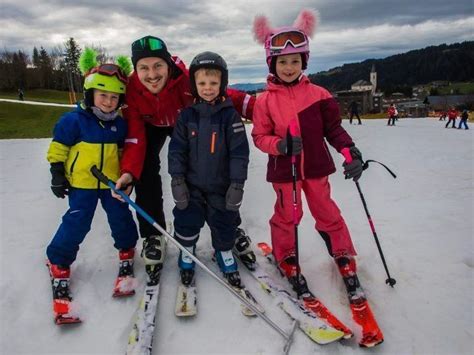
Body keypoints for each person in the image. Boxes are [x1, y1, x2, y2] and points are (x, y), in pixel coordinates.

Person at [251, 10, 384, 347]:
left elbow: (334, 130)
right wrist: (279, 145)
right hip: (285, 171)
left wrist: (350, 153)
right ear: (272, 65)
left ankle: (344, 257)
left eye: (295, 60)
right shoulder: (264, 101)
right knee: (288, 215)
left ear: (303, 61)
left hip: (316, 169)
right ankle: (287, 258)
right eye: (282, 62)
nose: (289, 67)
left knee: (327, 213)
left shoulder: (321, 95)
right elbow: (259, 137)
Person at [113, 36, 255, 272]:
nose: (152, 74)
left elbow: (223, 93)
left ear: (168, 65)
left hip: (186, 121)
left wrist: (264, 110)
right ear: (135, 69)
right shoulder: (133, 91)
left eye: (158, 66)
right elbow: (135, 138)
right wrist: (128, 173)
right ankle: (152, 234)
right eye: (143, 68)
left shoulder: (185, 80)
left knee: (212, 167)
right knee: (145, 172)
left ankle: (230, 228)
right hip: (152, 126)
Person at [45, 48, 138, 293]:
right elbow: (59, 148)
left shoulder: (119, 124)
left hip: (111, 184)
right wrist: (57, 173)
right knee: (77, 221)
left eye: (114, 98)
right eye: (103, 95)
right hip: (82, 184)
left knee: (121, 217)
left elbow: (123, 153)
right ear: (90, 93)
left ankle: (127, 248)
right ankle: (59, 259)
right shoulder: (73, 121)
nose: (108, 102)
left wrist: (126, 175)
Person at [168, 51, 249, 287]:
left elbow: (239, 153)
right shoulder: (186, 116)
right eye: (202, 83)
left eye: (213, 83)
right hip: (191, 185)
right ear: (193, 84)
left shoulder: (230, 116)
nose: (208, 88)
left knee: (224, 220)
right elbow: (177, 150)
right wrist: (177, 179)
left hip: (221, 186)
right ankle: (188, 251)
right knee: (186, 219)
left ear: (222, 83)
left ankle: (224, 252)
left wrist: (237, 184)